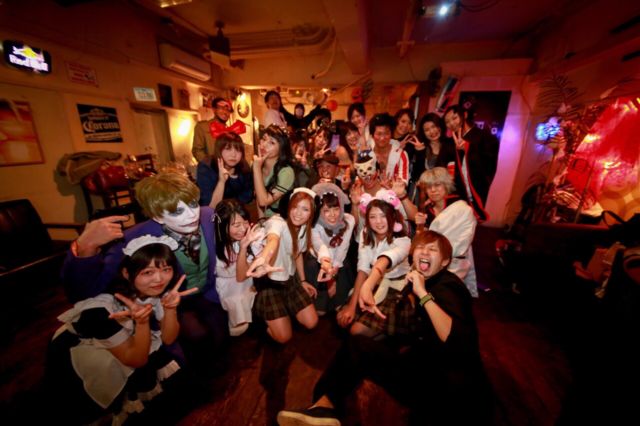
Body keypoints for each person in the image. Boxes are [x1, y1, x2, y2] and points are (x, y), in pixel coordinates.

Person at [277, 231, 491, 426]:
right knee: (358, 346)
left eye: (432, 249)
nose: (425, 252)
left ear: (444, 262)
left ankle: (323, 408)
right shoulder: (422, 279)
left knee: (358, 347)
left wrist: (423, 294)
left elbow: (456, 338)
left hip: (447, 388)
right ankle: (323, 407)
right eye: (420, 247)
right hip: (425, 368)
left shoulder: (447, 285)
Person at [61, 172, 229, 374]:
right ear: (157, 216)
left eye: (193, 204)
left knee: (221, 335)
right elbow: (85, 292)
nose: (192, 215)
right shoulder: (134, 238)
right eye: (176, 211)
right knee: (197, 337)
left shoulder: (207, 215)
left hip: (206, 292)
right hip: (167, 305)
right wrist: (85, 246)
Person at [47, 235, 195, 424]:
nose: (159, 279)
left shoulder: (153, 293)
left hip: (130, 343)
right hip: (84, 351)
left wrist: (170, 308)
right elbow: (136, 359)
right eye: (147, 272)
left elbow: (168, 338)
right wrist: (142, 324)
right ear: (126, 273)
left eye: (166, 269)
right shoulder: (100, 310)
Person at [246, 188, 319, 344]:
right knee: (284, 337)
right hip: (270, 283)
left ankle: (283, 311)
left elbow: (297, 254)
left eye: (305, 209)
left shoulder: (304, 228)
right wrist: (264, 258)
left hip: (290, 279)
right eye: (295, 207)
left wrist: (303, 281)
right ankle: (260, 320)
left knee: (312, 322)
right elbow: (273, 239)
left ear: (311, 213)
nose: (298, 213)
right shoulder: (277, 222)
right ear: (288, 206)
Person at [337, 190, 411, 332]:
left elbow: (385, 260)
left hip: (396, 289)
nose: (378, 222)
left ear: (392, 216)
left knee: (356, 331)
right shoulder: (365, 233)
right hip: (374, 282)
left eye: (383, 216)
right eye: (372, 217)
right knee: (342, 318)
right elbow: (363, 268)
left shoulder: (403, 240)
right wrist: (352, 306)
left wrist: (368, 285)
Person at [398, 167, 479, 297]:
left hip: (453, 264)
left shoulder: (462, 209)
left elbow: (461, 244)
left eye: (437, 185)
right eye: (429, 187)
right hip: (428, 260)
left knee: (443, 297)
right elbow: (423, 239)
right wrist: (420, 227)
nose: (433, 190)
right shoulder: (428, 209)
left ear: (446, 185)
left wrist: (435, 257)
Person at [214, 200, 264, 336]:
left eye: (245, 222)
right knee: (238, 327)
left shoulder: (250, 237)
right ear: (223, 225)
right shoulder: (215, 244)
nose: (242, 229)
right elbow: (236, 276)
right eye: (236, 225)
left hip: (246, 279)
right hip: (228, 285)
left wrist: (245, 247)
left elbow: (245, 273)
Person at [305, 182, 356, 315]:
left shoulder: (348, 220)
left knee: (340, 307)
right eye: (326, 210)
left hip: (338, 262)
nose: (332, 214)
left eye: (336, 209)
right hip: (318, 262)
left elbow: (343, 248)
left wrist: (333, 274)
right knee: (320, 311)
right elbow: (319, 246)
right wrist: (328, 274)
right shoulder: (314, 225)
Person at [444, 104, 500, 222]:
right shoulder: (449, 142)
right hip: (456, 192)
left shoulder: (485, 137)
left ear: (464, 115)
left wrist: (468, 149)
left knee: (469, 224)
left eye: (454, 118)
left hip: (475, 190)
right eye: (447, 122)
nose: (451, 123)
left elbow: (489, 164)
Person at [196, 132, 253, 208]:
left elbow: (247, 197)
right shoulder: (206, 167)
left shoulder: (243, 166)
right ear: (219, 150)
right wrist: (221, 182)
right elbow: (209, 207)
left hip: (236, 211)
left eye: (238, 150)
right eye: (228, 149)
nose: (233, 155)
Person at [253, 124, 296, 218]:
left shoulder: (286, 172)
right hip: (266, 218)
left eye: (272, 143)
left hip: (284, 219)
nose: (264, 145)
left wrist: (256, 168)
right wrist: (261, 220)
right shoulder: (258, 164)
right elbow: (258, 196)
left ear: (281, 149)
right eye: (264, 139)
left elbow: (263, 201)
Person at [411, 113, 457, 202]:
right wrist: (420, 152)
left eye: (434, 126)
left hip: (447, 193)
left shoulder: (451, 144)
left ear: (440, 126)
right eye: (427, 130)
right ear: (423, 133)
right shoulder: (421, 147)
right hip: (427, 194)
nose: (432, 131)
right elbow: (417, 176)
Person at [369, 113, 409, 184]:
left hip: (394, 190)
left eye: (386, 133)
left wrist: (390, 185)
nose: (382, 138)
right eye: (379, 134)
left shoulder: (401, 155)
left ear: (391, 134)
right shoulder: (367, 155)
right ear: (372, 136)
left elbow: (403, 182)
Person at [192, 97, 233, 162]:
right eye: (222, 108)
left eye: (228, 110)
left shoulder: (230, 131)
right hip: (211, 167)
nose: (225, 112)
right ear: (214, 109)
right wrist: (211, 164)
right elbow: (197, 151)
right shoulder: (203, 127)